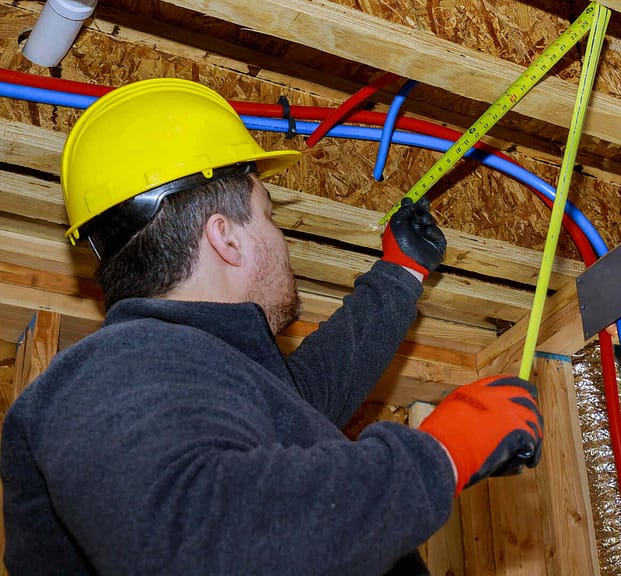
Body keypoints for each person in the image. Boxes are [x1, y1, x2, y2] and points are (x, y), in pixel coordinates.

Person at [0, 78, 543, 575]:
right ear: (226, 239)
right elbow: (205, 544)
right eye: (269, 215)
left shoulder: (173, 375)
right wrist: (440, 454)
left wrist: (401, 274)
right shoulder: (107, 372)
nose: (281, 237)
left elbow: (309, 391)